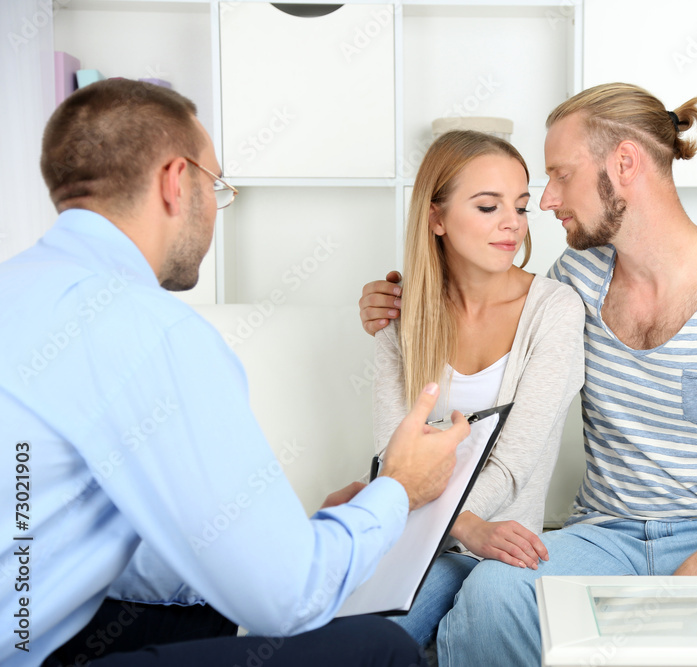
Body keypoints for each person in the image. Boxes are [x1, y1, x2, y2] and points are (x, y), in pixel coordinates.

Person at [358, 82, 697, 666]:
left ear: (625, 164)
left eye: (561, 175)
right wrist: (395, 298)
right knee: (491, 596)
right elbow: (487, 298)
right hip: (603, 535)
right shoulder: (577, 279)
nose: (545, 201)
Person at [0, 78, 470, 667]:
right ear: (176, 181)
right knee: (381, 650)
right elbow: (288, 600)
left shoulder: (19, 287)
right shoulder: (148, 328)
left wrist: (278, 542)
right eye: (215, 185)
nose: (215, 211)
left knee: (201, 605)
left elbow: (79, 547)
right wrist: (398, 488)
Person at [371, 130, 585, 650]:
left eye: (520, 206)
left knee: (407, 628)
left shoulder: (554, 310)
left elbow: (513, 467)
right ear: (436, 218)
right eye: (489, 206)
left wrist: (462, 527)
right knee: (350, 637)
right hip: (411, 538)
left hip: (498, 546)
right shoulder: (399, 314)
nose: (512, 222)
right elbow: (389, 461)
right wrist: (461, 526)